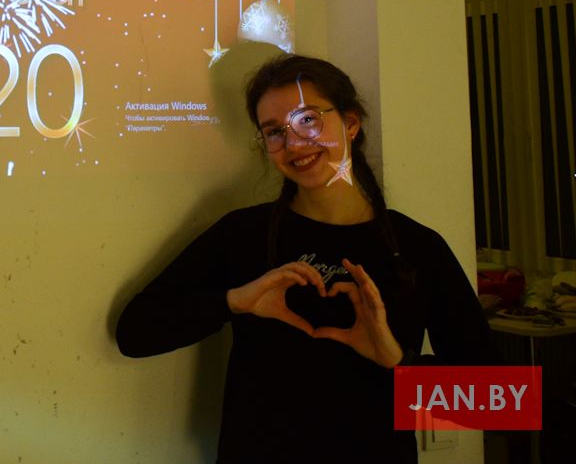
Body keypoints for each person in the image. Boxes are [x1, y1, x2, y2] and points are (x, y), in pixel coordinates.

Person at [115, 53, 496, 463]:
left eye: (308, 120)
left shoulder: (417, 247)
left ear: (351, 123)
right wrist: (233, 302)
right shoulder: (242, 234)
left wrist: (398, 362)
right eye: (274, 131)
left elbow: (496, 405)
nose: (294, 143)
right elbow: (134, 334)